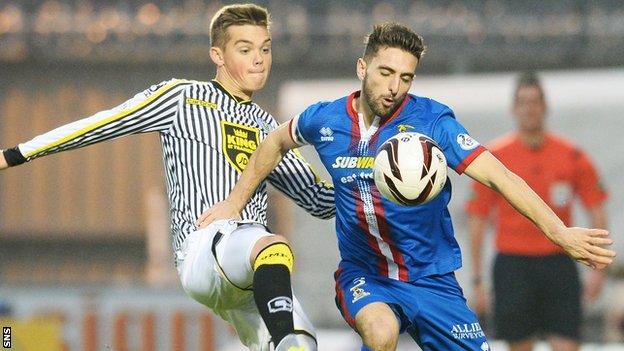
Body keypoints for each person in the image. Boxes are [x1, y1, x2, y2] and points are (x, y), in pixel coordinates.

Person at [199, 23, 616, 351]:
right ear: (362, 68)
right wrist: (235, 202)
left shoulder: (434, 123)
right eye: (385, 73)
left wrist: (559, 233)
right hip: (365, 275)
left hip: (432, 279)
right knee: (380, 333)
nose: (395, 87)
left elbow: (500, 176)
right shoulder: (324, 120)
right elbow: (274, 141)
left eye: (406, 77)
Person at [0, 4, 334, 351]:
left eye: (265, 48)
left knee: (300, 344)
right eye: (245, 49)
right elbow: (103, 123)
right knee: (272, 246)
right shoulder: (182, 98)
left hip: (250, 271)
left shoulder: (268, 127)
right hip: (204, 249)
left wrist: (366, 176)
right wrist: (16, 153)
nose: (259, 59)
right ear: (217, 55)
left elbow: (319, 201)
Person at [464, 72, 608, 351]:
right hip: (513, 266)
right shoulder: (493, 158)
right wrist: (477, 280)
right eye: (523, 102)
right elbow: (477, 221)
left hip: (559, 263)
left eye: (535, 102)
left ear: (545, 107)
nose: (529, 108)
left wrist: (598, 268)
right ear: (513, 109)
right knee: (519, 345)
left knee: (567, 345)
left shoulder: (572, 155)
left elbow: (597, 211)